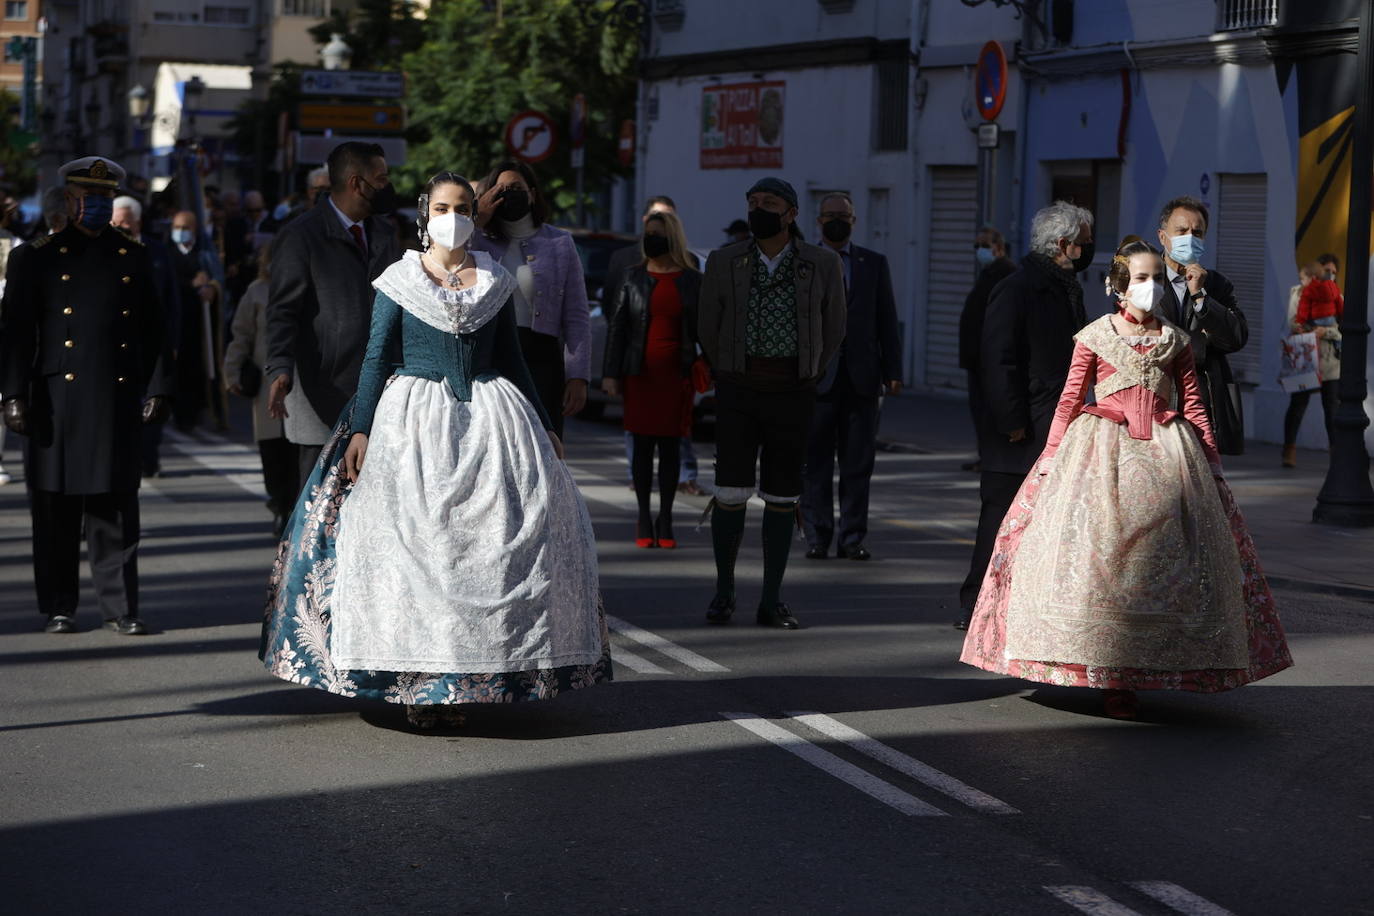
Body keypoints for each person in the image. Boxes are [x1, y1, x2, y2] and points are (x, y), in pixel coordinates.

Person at [260, 171, 610, 729]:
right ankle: (419, 685)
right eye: (445, 206)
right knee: (419, 551)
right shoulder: (399, 279)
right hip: (413, 423)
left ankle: (479, 677)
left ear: (476, 212)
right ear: (426, 213)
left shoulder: (494, 279)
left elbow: (513, 360)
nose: (455, 216)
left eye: (465, 206)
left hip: (494, 419)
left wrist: (545, 424)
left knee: (491, 546)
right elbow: (376, 358)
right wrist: (361, 430)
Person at [960, 237, 1292, 718]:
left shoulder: (1176, 340)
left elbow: (1194, 404)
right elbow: (1070, 400)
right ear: (1119, 286)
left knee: (1167, 563)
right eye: (1141, 278)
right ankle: (1108, 673)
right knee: (1101, 559)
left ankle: (1155, 668)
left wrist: (1213, 464)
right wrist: (1050, 459)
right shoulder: (1094, 336)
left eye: (1156, 278)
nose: (1151, 286)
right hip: (1099, 453)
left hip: (1168, 454)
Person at [0, 156, 173, 635]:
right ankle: (60, 603)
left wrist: (158, 387)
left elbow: (155, 330)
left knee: (114, 508)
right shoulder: (35, 257)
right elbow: (16, 335)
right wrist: (11, 395)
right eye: (88, 197)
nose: (96, 205)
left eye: (103, 197)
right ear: (69, 200)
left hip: (114, 397)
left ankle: (120, 607)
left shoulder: (131, 255)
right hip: (54, 401)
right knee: (55, 510)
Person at [697, 177, 846, 629]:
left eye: (769, 203)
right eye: (753, 202)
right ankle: (724, 592)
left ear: (791, 213)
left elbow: (834, 324)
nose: (759, 209)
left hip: (792, 391)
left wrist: (810, 374)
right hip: (739, 391)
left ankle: (771, 599)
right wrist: (726, 371)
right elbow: (708, 322)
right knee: (730, 492)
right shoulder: (725, 261)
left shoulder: (821, 262)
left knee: (783, 495)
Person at [956, 201, 1093, 631]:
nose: (1089, 249)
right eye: (1085, 243)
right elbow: (997, 360)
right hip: (1018, 429)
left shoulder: (1067, 287)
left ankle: (1020, 604)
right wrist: (1012, 421)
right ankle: (975, 603)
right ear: (1065, 244)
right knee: (998, 518)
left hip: (1054, 420)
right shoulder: (1017, 287)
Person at [265, 141, 403, 481]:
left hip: (377, 388)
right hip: (321, 393)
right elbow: (283, 309)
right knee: (318, 507)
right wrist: (280, 366)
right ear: (358, 183)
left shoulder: (385, 233)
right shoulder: (302, 236)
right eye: (382, 178)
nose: (388, 186)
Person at [802, 192, 902, 561]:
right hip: (817, 379)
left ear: (854, 220)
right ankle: (817, 535)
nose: (835, 221)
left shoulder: (873, 263)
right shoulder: (805, 262)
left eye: (842, 215)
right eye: (829, 215)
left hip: (862, 378)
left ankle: (852, 537)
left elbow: (886, 320)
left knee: (857, 464)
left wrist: (894, 371)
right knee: (815, 464)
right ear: (818, 221)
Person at [602, 209, 701, 548]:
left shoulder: (691, 279)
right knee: (642, 448)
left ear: (672, 237)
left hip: (676, 376)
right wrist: (611, 374)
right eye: (648, 232)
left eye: (658, 233)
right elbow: (617, 327)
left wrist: (710, 368)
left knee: (671, 448)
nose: (651, 239)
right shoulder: (632, 277)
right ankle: (644, 516)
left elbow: (703, 329)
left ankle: (667, 517)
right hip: (639, 375)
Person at [470, 160, 590, 439]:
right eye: (500, 189)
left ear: (532, 194)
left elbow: (576, 314)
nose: (509, 194)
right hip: (492, 356)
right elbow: (451, 266)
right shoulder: (478, 240)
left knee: (542, 445)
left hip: (541, 359)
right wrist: (477, 219)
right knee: (495, 444)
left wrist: (578, 375)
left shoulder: (559, 243)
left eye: (516, 188)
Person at [1156, 195, 1248, 455]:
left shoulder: (1217, 286)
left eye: (1197, 233)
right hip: (1158, 402)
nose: (1189, 237)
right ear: (1163, 237)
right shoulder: (1144, 281)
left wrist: (1201, 299)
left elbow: (1236, 337)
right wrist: (1201, 339)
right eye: (1181, 231)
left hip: (1204, 402)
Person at [224, 238, 297, 538]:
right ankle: (279, 506)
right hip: (267, 385)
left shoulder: (306, 287)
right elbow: (240, 335)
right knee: (273, 453)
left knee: (298, 453)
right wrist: (232, 373)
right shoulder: (257, 292)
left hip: (302, 387)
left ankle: (294, 511)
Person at [113, 195, 182, 478]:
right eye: (114, 221)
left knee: (152, 405)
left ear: (137, 221)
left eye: (124, 221)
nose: (119, 226)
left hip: (150, 346)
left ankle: (148, 458)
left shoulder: (156, 251)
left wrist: (173, 343)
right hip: (117, 347)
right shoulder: (104, 251)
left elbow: (171, 299)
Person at [957, 226, 1017, 472]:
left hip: (988, 359)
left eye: (984, 245)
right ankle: (986, 457)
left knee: (989, 411)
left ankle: (993, 459)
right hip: (977, 359)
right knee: (980, 411)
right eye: (976, 246)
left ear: (999, 248)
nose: (979, 250)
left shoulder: (1005, 274)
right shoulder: (988, 272)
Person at [1282, 260, 1342, 467]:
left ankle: (1336, 453)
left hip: (1329, 360)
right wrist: (1302, 328)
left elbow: (1343, 327)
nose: (1330, 275)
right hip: (1305, 357)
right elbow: (1291, 321)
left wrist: (1327, 331)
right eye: (1327, 271)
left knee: (1332, 407)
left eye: (1334, 272)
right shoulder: (1297, 293)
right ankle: (1288, 449)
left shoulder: (1335, 294)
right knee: (1298, 405)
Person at [168, 209, 224, 431]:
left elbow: (218, 281)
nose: (181, 232)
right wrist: (189, 285)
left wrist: (211, 287)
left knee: (197, 368)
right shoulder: (168, 253)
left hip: (199, 325)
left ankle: (198, 410)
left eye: (186, 227)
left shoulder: (204, 255)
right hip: (175, 321)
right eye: (177, 227)